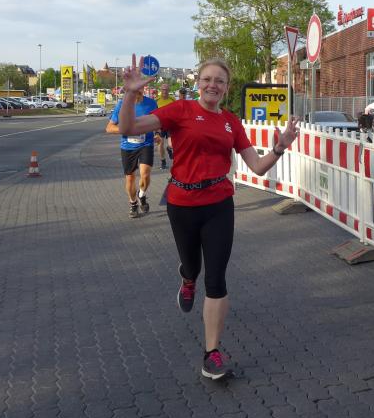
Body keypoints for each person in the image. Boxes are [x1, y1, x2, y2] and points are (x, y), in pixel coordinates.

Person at [118, 55, 299, 380]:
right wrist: (130, 94)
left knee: (216, 279)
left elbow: (257, 167)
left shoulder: (231, 122)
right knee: (193, 266)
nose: (213, 85)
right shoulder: (180, 110)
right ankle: (187, 279)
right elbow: (128, 128)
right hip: (181, 203)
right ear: (198, 83)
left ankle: (211, 353)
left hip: (219, 204)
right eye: (207, 79)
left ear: (226, 88)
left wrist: (279, 148)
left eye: (220, 81)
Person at [105, 90, 158, 218]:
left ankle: (142, 194)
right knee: (130, 178)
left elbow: (157, 122)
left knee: (145, 175)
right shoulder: (122, 104)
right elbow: (109, 128)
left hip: (146, 144)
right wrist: (126, 129)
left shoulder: (151, 103)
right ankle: (133, 204)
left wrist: (157, 134)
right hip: (128, 147)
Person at [155, 83, 175, 169]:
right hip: (160, 125)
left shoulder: (172, 99)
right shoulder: (156, 100)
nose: (164, 91)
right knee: (160, 143)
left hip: (170, 125)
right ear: (161, 90)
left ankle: (169, 149)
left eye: (166, 90)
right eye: (163, 89)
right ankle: (163, 161)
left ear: (169, 90)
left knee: (171, 144)